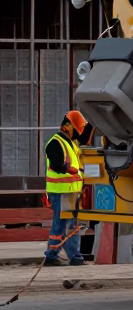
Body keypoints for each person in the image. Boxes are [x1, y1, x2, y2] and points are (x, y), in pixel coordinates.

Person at [43, 110, 89, 267]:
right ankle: (73, 257)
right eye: (76, 129)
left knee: (66, 224)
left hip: (70, 191)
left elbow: (83, 146)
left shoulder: (71, 143)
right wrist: (70, 170)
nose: (77, 134)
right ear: (67, 126)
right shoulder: (55, 142)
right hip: (60, 191)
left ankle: (53, 254)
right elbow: (56, 165)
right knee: (65, 224)